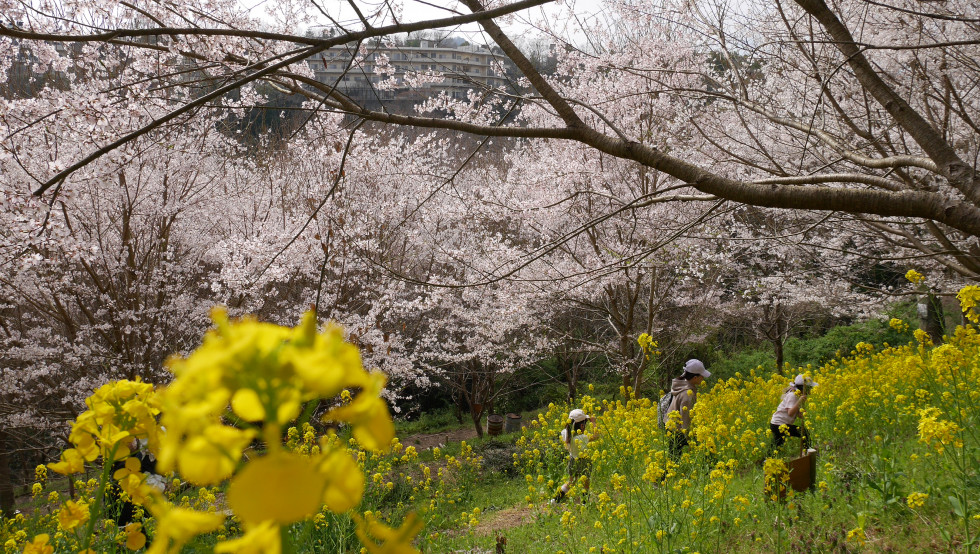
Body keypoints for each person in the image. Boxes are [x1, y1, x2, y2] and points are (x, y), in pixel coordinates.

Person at [665, 359, 711, 458]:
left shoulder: (681, 385)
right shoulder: (687, 395)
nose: (703, 378)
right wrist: (691, 440)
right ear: (695, 378)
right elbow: (686, 420)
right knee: (674, 459)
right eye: (701, 376)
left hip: (672, 427)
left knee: (673, 457)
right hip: (678, 430)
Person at [552, 408, 598, 503]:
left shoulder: (565, 433)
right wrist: (593, 422)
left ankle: (554, 500)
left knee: (570, 482)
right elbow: (596, 436)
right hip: (584, 461)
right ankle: (585, 504)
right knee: (586, 483)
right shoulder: (582, 437)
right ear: (582, 425)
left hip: (573, 459)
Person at [770, 374, 817, 451]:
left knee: (777, 446)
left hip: (780, 424)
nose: (810, 390)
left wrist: (802, 412)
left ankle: (765, 460)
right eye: (809, 388)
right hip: (778, 424)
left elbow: (798, 414)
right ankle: (807, 452)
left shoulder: (798, 396)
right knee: (804, 433)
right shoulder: (792, 396)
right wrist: (799, 401)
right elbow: (790, 413)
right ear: (803, 388)